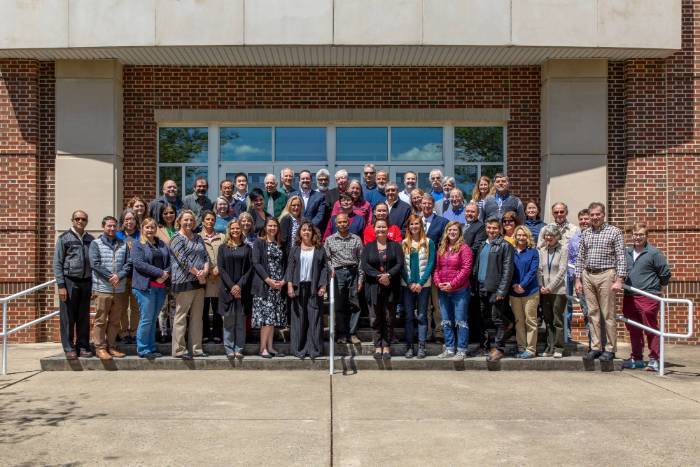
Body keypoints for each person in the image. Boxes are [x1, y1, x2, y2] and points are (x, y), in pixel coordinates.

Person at [575, 202, 627, 362]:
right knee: (592, 313)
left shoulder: (614, 232)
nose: (595, 217)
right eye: (592, 215)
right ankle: (596, 347)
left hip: (606, 274)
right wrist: (578, 279)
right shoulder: (586, 233)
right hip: (588, 275)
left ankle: (610, 349)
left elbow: (621, 256)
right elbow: (580, 257)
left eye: (598, 214)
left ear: (603, 215)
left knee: (608, 314)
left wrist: (619, 279)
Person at [622, 222, 672, 372]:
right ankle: (637, 358)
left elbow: (665, 273)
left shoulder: (654, 253)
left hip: (648, 296)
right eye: (635, 234)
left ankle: (654, 359)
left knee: (650, 328)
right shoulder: (626, 252)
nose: (637, 237)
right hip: (629, 296)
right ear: (631, 235)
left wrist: (656, 288)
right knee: (633, 328)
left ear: (646, 236)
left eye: (641, 235)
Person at [88, 216, 132, 360]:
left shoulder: (123, 244)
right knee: (100, 320)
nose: (112, 228)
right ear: (103, 226)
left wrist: (119, 275)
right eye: (109, 226)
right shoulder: (96, 243)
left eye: (114, 226)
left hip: (119, 289)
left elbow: (129, 264)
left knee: (115, 320)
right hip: (102, 289)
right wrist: (111, 277)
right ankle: (100, 348)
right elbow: (95, 263)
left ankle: (112, 346)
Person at [53, 210, 95, 359]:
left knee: (83, 316)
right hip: (69, 281)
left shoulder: (91, 239)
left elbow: (94, 262)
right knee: (68, 317)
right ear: (72, 220)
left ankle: (83, 346)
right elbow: (57, 263)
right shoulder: (64, 238)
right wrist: (61, 286)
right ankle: (69, 347)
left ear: (86, 221)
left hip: (86, 281)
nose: (80, 221)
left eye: (83, 219)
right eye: (77, 219)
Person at [169, 209, 209, 359]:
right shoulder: (176, 238)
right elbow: (183, 260)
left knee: (197, 317)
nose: (188, 222)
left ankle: (196, 349)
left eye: (191, 220)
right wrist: (197, 272)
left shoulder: (198, 237)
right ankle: (179, 350)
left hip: (200, 282)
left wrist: (205, 270)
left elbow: (205, 256)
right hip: (184, 282)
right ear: (179, 221)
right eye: (185, 220)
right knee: (181, 316)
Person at [361, 219, 404, 360]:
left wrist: (388, 275)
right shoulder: (368, 247)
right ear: (374, 229)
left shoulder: (395, 246)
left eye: (383, 227)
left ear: (388, 229)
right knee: (375, 318)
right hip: (373, 287)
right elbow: (365, 265)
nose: (381, 229)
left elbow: (399, 264)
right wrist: (379, 276)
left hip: (390, 287)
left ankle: (386, 346)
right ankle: (377, 346)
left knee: (389, 318)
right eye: (378, 227)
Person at [474, 217, 515, 361]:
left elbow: (508, 270)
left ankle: (499, 348)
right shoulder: (483, 244)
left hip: (495, 289)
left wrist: (502, 291)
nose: (491, 231)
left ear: (500, 229)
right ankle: (484, 346)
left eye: (495, 228)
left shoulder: (505, 245)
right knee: (483, 318)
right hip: (481, 286)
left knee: (497, 318)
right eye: (489, 228)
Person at [286, 221, 328, 359]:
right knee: (299, 318)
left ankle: (314, 349)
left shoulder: (320, 249)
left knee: (314, 318)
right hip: (298, 287)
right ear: (300, 232)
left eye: (309, 230)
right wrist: (290, 285)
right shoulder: (295, 249)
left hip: (314, 287)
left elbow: (324, 268)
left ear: (313, 233)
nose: (306, 232)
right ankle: (299, 349)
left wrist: (323, 286)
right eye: (303, 230)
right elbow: (290, 268)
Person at [433, 221, 473, 360]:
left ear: (459, 232)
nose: (452, 232)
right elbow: (436, 269)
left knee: (460, 320)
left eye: (455, 230)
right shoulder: (442, 248)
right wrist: (438, 283)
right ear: (446, 232)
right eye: (449, 230)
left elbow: (466, 269)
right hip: (443, 290)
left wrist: (452, 284)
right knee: (446, 320)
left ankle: (461, 350)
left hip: (460, 290)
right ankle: (449, 349)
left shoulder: (464, 248)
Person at [131, 217, 170, 359]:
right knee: (147, 318)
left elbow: (170, 261)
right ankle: (143, 349)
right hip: (144, 287)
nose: (150, 230)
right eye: (147, 227)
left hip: (160, 286)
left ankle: (151, 347)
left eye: (153, 227)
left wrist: (165, 274)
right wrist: (160, 273)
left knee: (153, 319)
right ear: (142, 229)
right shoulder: (137, 245)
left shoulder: (161, 244)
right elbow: (139, 264)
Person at [324, 212, 364, 344]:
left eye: (344, 222)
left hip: (353, 272)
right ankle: (341, 334)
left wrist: (360, 278)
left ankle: (352, 334)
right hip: (337, 273)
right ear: (336, 224)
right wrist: (331, 270)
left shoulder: (356, 239)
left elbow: (361, 260)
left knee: (354, 304)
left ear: (349, 223)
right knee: (339, 305)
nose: (342, 224)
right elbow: (327, 259)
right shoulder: (330, 240)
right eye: (339, 222)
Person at [251, 218, 288, 358]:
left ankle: (270, 347)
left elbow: (286, 264)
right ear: (265, 228)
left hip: (278, 287)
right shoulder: (259, 242)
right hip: (264, 286)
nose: (273, 228)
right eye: (270, 226)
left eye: (275, 226)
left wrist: (283, 281)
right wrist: (268, 280)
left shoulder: (281, 244)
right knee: (266, 319)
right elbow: (256, 263)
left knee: (272, 319)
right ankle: (263, 348)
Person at [401, 215, 436, 359]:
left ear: (421, 226)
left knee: (422, 316)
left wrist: (420, 283)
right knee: (409, 316)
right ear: (408, 227)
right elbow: (402, 266)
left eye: (417, 224)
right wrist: (409, 282)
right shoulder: (403, 243)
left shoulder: (429, 242)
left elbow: (431, 264)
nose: (414, 226)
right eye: (411, 224)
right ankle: (409, 346)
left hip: (423, 286)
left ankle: (421, 346)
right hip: (407, 285)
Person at [217, 219, 253, 359]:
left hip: (242, 291)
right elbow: (221, 269)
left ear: (241, 230)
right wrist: (232, 286)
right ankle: (229, 348)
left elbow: (250, 269)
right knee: (228, 321)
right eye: (233, 228)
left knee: (240, 322)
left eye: (237, 228)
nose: (235, 231)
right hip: (227, 290)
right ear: (229, 230)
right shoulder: (223, 248)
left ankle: (239, 348)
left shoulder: (247, 248)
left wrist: (239, 285)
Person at [538, 224, 569, 358]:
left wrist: (550, 287)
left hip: (558, 291)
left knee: (557, 320)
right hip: (544, 290)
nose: (548, 237)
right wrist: (541, 286)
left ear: (557, 236)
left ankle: (558, 348)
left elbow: (562, 271)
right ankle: (549, 347)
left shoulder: (563, 249)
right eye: (546, 235)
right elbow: (539, 270)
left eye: (551, 235)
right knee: (547, 319)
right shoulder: (542, 250)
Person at [420, 194, 448, 342]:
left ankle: (439, 332)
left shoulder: (442, 222)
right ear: (420, 205)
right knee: (423, 304)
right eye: (424, 203)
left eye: (429, 203)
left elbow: (445, 245)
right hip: (420, 269)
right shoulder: (415, 221)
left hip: (437, 268)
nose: (426, 206)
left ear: (433, 205)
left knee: (437, 303)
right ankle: (426, 331)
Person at [509, 225, 539, 360]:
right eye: (519, 235)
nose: (521, 237)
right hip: (514, 292)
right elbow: (508, 269)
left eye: (524, 235)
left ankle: (531, 349)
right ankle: (521, 347)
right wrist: (514, 284)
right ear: (515, 236)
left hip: (530, 292)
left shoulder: (533, 252)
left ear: (528, 237)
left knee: (530, 321)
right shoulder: (511, 251)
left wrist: (522, 285)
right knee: (519, 321)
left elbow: (533, 271)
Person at [116, 208, 140, 345]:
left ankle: (135, 332)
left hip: (137, 276)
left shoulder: (141, 235)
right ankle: (124, 332)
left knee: (136, 307)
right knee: (122, 306)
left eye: (132, 219)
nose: (129, 222)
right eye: (127, 219)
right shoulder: (117, 235)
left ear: (136, 221)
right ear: (123, 221)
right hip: (122, 276)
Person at [155, 203, 177, 343]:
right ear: (161, 215)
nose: (169, 215)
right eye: (165, 213)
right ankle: (163, 333)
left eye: (171, 212)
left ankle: (174, 333)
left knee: (174, 305)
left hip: (177, 273)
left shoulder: (180, 228)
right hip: (162, 273)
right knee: (163, 306)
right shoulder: (157, 230)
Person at [200, 210, 224, 344]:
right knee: (203, 308)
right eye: (207, 219)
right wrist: (206, 270)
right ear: (203, 221)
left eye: (212, 219)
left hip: (218, 277)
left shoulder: (222, 237)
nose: (210, 221)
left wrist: (219, 268)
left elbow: (225, 254)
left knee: (217, 308)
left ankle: (217, 333)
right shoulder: (197, 237)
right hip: (203, 277)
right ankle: (204, 333)